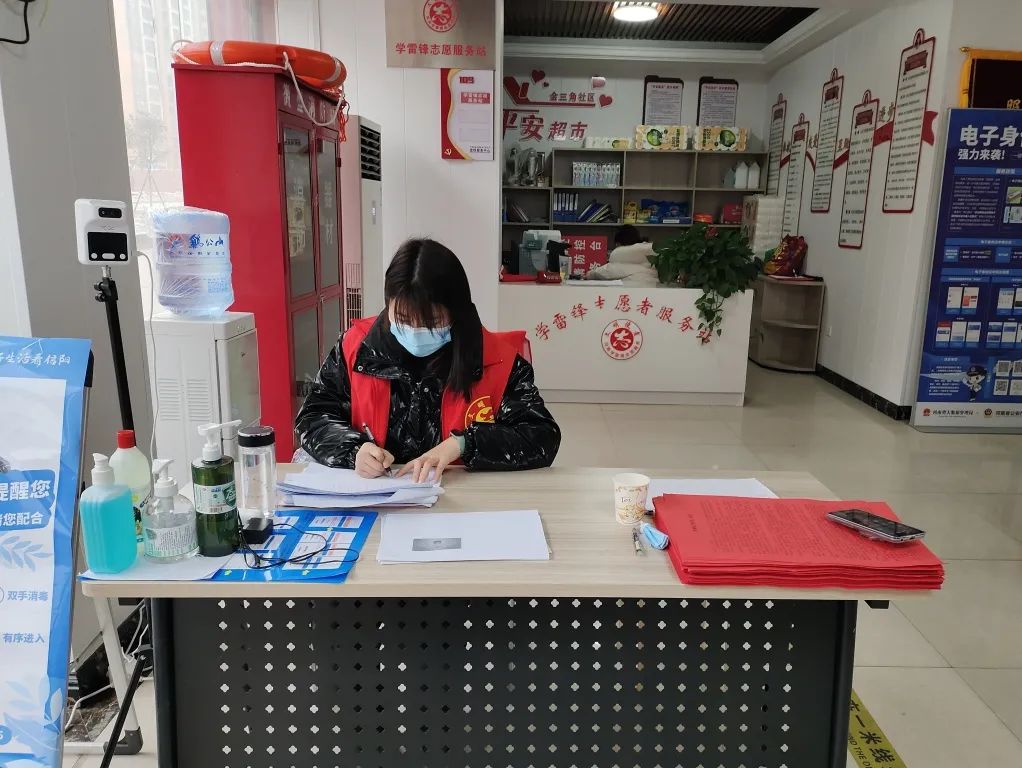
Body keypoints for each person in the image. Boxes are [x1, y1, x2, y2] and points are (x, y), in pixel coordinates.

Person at [296, 238, 561, 481]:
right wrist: (354, 450)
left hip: (464, 500)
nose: (416, 330)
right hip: (378, 498)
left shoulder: (497, 360)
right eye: (403, 319)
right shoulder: (356, 349)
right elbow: (313, 417)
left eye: (432, 321)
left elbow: (541, 437)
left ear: (456, 312)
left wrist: (465, 443)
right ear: (388, 305)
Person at [584, 225, 658, 286]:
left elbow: (608, 271)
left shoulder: (621, 255)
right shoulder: (651, 253)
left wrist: (589, 274)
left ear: (618, 244)